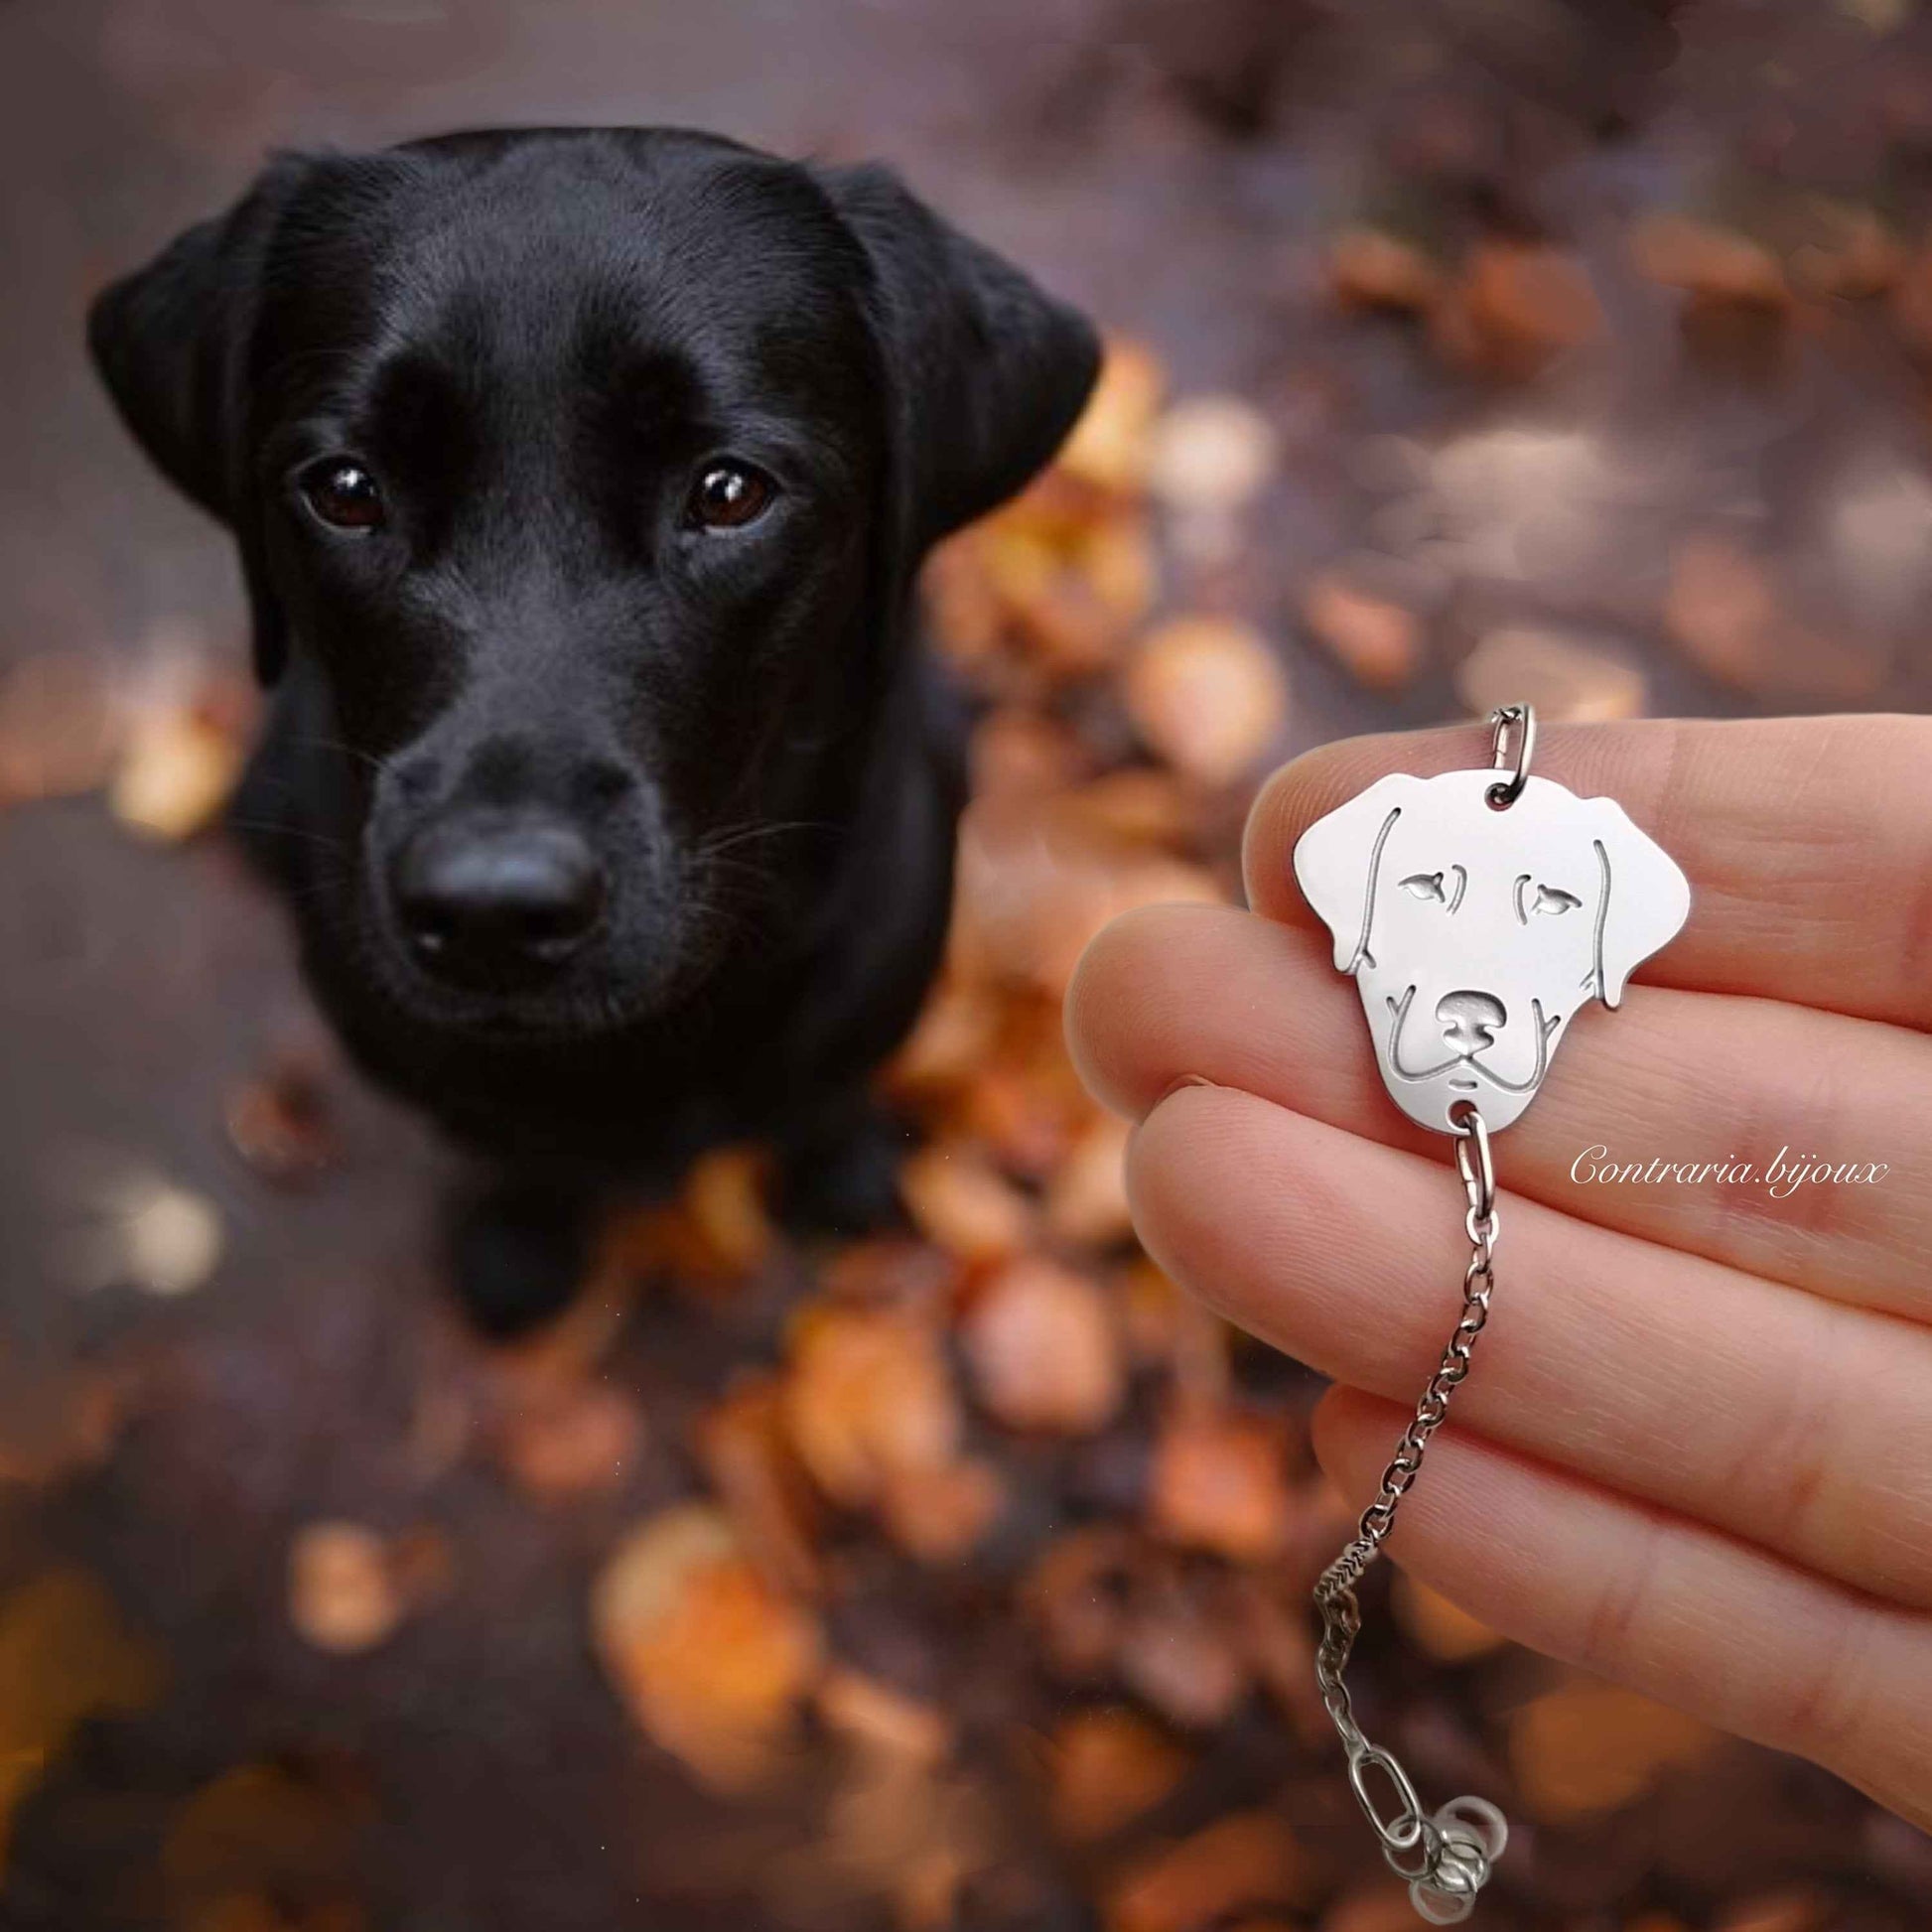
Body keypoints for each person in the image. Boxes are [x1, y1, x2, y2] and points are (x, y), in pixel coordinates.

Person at [1064, 713, 1932, 1834]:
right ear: (1357, 913)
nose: (1476, 977)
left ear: (1607, 945)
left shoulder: (1618, 889)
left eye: (1555, 909)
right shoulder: (1356, 840)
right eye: (1426, 890)